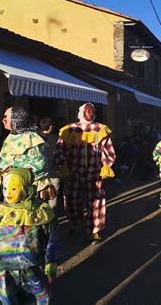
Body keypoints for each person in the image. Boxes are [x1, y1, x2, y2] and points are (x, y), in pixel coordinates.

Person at [0, 168, 58, 304]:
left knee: (38, 298)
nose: (8, 193)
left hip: (31, 270)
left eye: (14, 189)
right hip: (3, 272)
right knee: (6, 300)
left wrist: (51, 263)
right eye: (5, 188)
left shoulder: (39, 212)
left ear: (26, 187)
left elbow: (50, 238)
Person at [54, 103, 116, 244]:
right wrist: (61, 163)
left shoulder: (100, 129)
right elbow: (60, 148)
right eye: (87, 111)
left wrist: (106, 165)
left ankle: (94, 230)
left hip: (94, 172)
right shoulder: (70, 129)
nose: (89, 113)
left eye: (91, 111)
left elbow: (108, 149)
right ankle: (76, 222)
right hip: (73, 172)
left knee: (96, 202)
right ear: (81, 112)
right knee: (71, 199)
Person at [0, 107, 54, 202]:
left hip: (28, 189)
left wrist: (16, 171)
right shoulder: (11, 136)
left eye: (6, 116)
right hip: (11, 188)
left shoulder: (30, 137)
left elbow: (40, 164)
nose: (3, 119)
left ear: (16, 119)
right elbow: (5, 160)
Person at [39, 117, 61, 210]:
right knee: (53, 198)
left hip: (40, 173)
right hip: (54, 172)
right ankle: (52, 220)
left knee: (40, 198)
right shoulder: (56, 139)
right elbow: (61, 155)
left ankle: (42, 220)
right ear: (51, 127)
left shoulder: (37, 138)